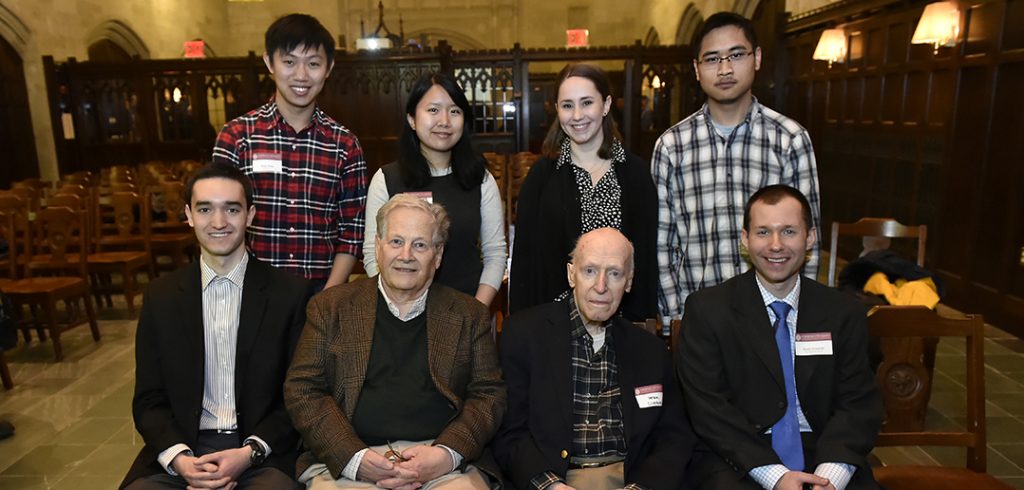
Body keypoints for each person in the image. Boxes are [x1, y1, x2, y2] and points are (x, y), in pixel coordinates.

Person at [284, 194, 506, 489]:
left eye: (420, 245)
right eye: (396, 242)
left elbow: (489, 395)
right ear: (377, 247)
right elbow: (303, 389)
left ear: (437, 255)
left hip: (441, 463)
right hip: (349, 460)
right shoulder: (329, 308)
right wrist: (354, 458)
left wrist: (447, 454)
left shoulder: (468, 314)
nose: (406, 256)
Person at [676, 184, 880, 490]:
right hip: (739, 457)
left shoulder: (843, 313)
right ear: (745, 239)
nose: (775, 245)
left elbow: (859, 403)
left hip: (826, 450)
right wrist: (775, 476)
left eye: (788, 231)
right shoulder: (708, 311)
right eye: (762, 232)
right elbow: (709, 410)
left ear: (810, 237)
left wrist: (830, 478)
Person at [122, 163, 313, 489]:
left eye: (232, 209)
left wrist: (248, 454)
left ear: (250, 215)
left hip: (258, 452)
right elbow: (149, 400)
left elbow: (297, 396)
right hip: (184, 450)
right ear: (189, 214)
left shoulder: (289, 294)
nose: (219, 222)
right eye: (205, 209)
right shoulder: (161, 296)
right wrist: (181, 461)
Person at [494, 227, 694, 490]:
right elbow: (509, 432)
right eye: (590, 271)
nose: (601, 287)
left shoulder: (650, 351)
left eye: (614, 273)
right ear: (571, 274)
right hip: (554, 479)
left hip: (629, 479)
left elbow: (673, 437)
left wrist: (641, 487)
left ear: (629, 281)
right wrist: (550, 486)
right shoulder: (524, 336)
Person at [652, 12, 821, 322]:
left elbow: (807, 239)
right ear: (696, 68)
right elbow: (663, 244)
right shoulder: (671, 146)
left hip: (772, 314)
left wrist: (800, 318)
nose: (725, 69)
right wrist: (674, 320)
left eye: (736, 55)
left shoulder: (789, 140)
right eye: (712, 59)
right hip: (697, 314)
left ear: (756, 58)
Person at [212, 13, 367, 291]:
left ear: (329, 67)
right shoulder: (236, 137)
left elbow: (352, 230)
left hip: (320, 290)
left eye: (313, 64)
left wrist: (328, 295)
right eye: (289, 62)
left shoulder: (345, 145)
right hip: (250, 289)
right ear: (269, 62)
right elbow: (219, 219)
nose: (301, 75)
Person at [510, 63, 657, 321]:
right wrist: (522, 331)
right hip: (553, 325)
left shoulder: (635, 174)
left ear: (606, 104)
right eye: (567, 105)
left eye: (587, 102)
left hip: (621, 323)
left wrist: (641, 324)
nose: (577, 115)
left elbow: (645, 259)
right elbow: (524, 263)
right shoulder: (542, 177)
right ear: (557, 109)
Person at [362, 72, 506, 306]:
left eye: (454, 111)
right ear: (412, 119)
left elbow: (495, 254)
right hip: (401, 311)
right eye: (433, 110)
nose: (444, 121)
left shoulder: (481, 179)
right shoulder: (386, 179)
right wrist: (395, 306)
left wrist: (477, 312)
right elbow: (372, 252)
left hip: (468, 308)